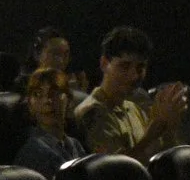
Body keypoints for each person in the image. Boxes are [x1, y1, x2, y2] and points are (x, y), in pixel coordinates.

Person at [73, 26, 183, 157]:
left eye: (140, 67)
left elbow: (161, 158)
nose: (134, 76)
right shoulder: (93, 112)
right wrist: (156, 128)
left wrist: (169, 126)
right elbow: (116, 170)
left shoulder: (134, 109)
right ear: (104, 63)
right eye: (124, 66)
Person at [14, 65, 86, 173]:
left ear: (69, 101)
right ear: (29, 104)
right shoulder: (33, 152)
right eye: (38, 94)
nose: (47, 100)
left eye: (54, 93)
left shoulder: (75, 145)